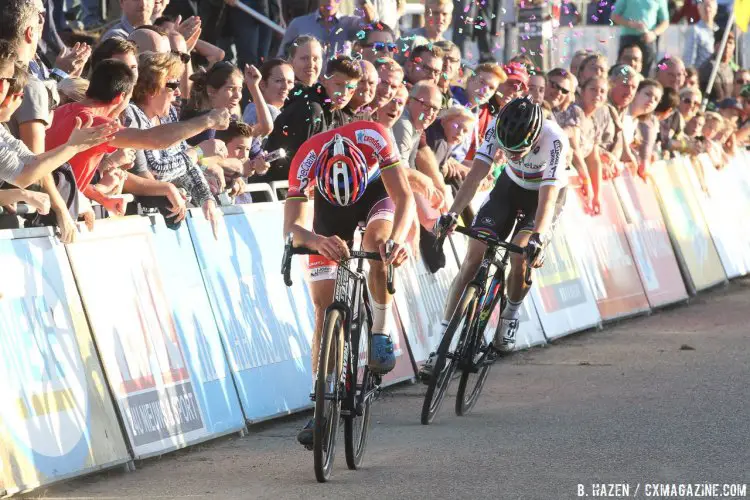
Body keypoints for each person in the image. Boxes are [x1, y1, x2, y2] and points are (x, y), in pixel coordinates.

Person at [283, 120, 414, 446]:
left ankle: (381, 331)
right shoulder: (305, 159)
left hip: (372, 190)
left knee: (377, 247)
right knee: (323, 307)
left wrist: (398, 240)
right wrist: (316, 242)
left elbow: (404, 197)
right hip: (330, 206)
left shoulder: (377, 137)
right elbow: (291, 229)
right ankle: (322, 402)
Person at [422, 97, 569, 377]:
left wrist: (537, 238)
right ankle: (440, 346)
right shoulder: (496, 126)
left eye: (519, 151)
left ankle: (510, 314)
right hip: (510, 188)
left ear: (535, 137)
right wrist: (452, 213)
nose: (512, 155)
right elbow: (476, 175)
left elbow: (548, 198)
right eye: (507, 150)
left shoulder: (554, 141)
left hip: (542, 197)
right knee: (472, 258)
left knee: (519, 254)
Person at [45, 59, 231, 221]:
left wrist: (102, 198)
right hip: (53, 215)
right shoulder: (96, 123)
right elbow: (152, 139)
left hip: (54, 206)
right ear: (120, 97)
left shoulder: (62, 111)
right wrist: (209, 120)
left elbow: (66, 174)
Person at [261, 55, 362, 183]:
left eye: (350, 88)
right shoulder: (311, 110)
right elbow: (296, 162)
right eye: (338, 84)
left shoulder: (336, 111)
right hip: (277, 190)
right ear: (324, 80)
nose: (344, 93)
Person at [182, 61, 272, 145]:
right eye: (231, 89)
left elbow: (265, 128)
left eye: (240, 89)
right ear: (211, 91)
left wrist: (254, 86)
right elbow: (201, 156)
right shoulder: (196, 120)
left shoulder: (232, 122)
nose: (237, 96)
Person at [277, 0, 366, 59]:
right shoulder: (298, 24)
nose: (330, 1)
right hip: (306, 84)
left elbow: (372, 24)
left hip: (339, 84)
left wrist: (364, 2)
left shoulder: (350, 23)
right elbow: (282, 57)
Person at [611, 0, 669, 76]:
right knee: (624, 70)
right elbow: (614, 16)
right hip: (628, 38)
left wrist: (653, 34)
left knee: (646, 72)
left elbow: (665, 22)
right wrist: (631, 24)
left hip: (648, 40)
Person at [625, 79, 664, 178]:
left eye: (656, 99)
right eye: (647, 94)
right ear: (636, 93)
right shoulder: (623, 114)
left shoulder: (636, 122)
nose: (651, 100)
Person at [699, 30, 735, 103]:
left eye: (730, 43)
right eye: (723, 42)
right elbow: (720, 96)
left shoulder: (731, 67)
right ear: (715, 45)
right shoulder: (710, 67)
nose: (727, 46)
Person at [683, 0, 717, 68]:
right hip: (701, 74)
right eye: (704, 7)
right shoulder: (695, 30)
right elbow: (689, 59)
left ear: (715, 10)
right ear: (699, 9)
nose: (707, 9)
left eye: (710, 7)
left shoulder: (719, 31)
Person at [434, 40, 461, 108]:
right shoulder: (422, 89)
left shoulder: (459, 95)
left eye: (452, 60)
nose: (447, 64)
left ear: (458, 65)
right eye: (443, 58)